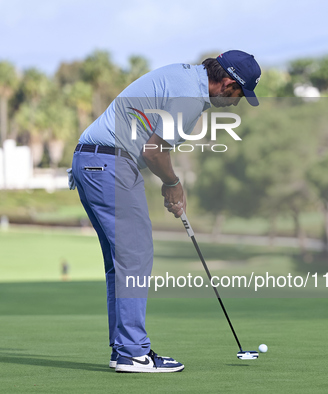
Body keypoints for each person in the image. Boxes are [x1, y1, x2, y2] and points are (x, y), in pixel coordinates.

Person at [69, 50, 261, 373]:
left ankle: (124, 350)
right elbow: (154, 151)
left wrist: (167, 181)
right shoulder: (190, 96)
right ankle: (133, 352)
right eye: (241, 94)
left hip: (92, 161)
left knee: (122, 263)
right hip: (110, 163)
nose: (238, 102)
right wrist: (173, 183)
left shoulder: (185, 77)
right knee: (136, 256)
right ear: (228, 83)